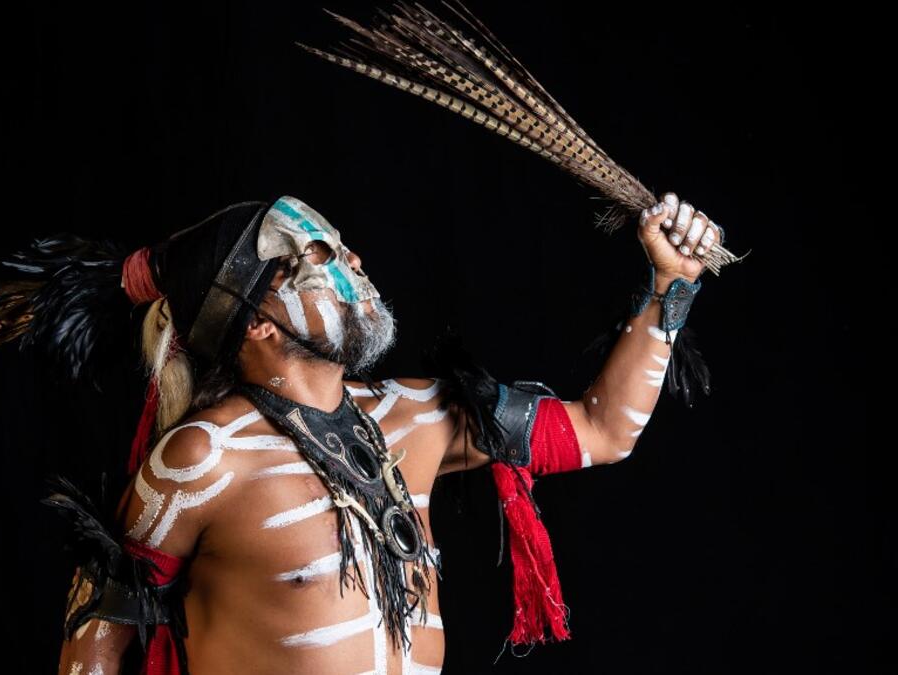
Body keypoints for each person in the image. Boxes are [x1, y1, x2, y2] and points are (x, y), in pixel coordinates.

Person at [46, 192, 721, 675]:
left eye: (341, 245)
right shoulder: (202, 459)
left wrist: (673, 285)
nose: (355, 261)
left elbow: (601, 430)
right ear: (258, 322)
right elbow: (99, 629)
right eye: (317, 254)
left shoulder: (417, 415)